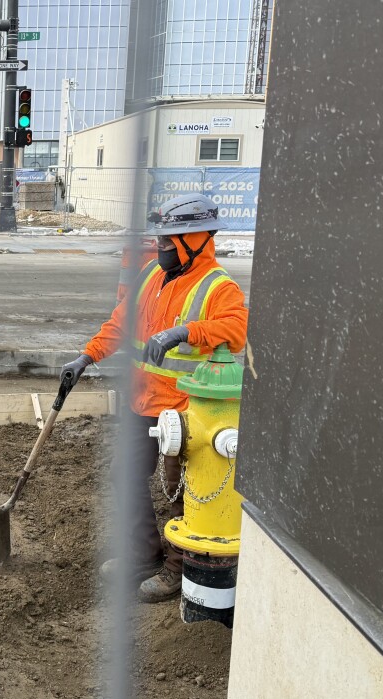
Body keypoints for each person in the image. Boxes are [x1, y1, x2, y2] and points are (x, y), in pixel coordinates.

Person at [64, 194, 248, 602]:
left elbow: (236, 329)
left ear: (196, 239)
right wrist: (86, 355)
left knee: (186, 492)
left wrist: (185, 332)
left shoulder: (218, 286)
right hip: (144, 403)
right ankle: (144, 555)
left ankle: (176, 570)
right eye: (160, 239)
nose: (161, 246)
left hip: (186, 413)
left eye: (169, 240)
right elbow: (120, 323)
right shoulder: (151, 276)